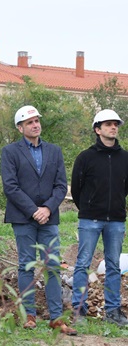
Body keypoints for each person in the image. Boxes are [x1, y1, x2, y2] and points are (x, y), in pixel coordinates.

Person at [1, 105, 77, 335]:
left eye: (37, 121)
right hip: (23, 218)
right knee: (26, 265)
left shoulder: (54, 151)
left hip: (49, 218)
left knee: (52, 266)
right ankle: (29, 315)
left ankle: (56, 318)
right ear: (20, 127)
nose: (35, 125)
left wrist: (47, 208)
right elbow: (10, 186)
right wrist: (34, 210)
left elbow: (61, 185)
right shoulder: (10, 152)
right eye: (30, 122)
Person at [71, 109, 128, 327]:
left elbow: (125, 188)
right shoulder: (85, 157)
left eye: (115, 124)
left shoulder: (125, 157)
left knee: (113, 265)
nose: (113, 127)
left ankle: (113, 311)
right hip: (90, 220)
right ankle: (79, 311)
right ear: (98, 129)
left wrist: (115, 206)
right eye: (108, 124)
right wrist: (88, 207)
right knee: (83, 264)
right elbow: (76, 188)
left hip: (116, 220)